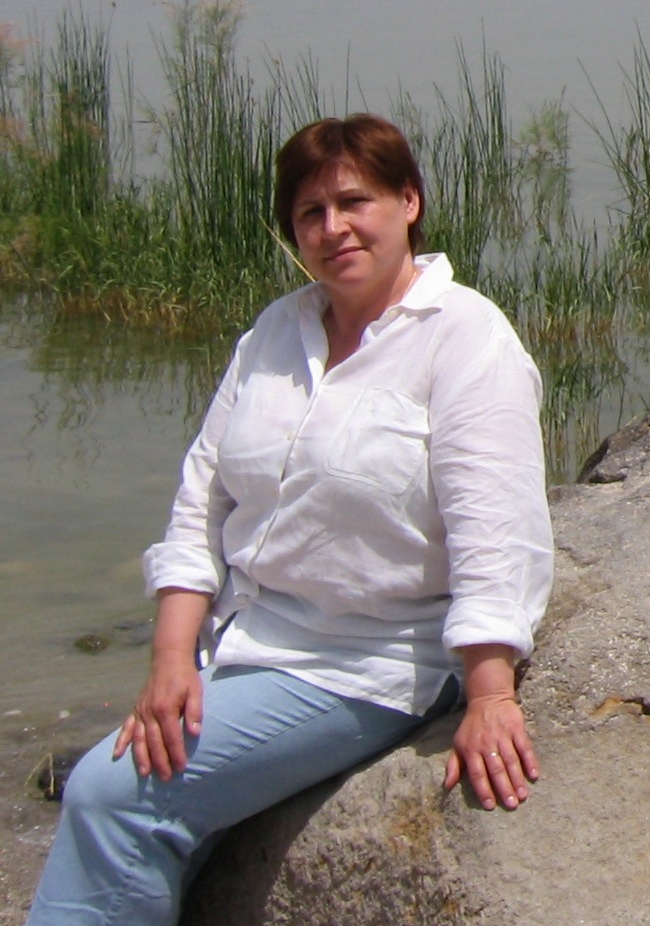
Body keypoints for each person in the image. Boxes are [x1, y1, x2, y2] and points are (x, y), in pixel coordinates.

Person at [26, 114, 553, 926]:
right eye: (311, 212)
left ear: (409, 201)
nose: (333, 227)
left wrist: (490, 693)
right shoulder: (277, 330)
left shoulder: (467, 339)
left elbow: (495, 527)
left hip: (363, 659)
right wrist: (170, 656)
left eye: (355, 201)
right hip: (241, 638)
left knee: (111, 793)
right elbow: (202, 500)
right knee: (143, 792)